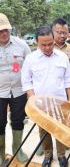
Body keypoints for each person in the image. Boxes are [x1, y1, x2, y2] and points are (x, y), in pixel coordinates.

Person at [21, 26, 70, 167]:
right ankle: (48, 155)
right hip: (40, 104)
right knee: (44, 130)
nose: (47, 47)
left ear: (53, 40)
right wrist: (34, 101)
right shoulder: (31, 59)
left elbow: (68, 81)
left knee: (60, 129)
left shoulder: (62, 57)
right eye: (43, 44)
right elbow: (26, 82)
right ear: (37, 42)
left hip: (60, 102)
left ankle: (62, 155)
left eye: (50, 43)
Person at [0, 13, 30, 165]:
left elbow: (30, 65)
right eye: (0, 31)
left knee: (18, 120)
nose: (4, 33)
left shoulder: (21, 44)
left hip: (19, 90)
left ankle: (17, 149)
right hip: (0, 92)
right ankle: (0, 153)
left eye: (6, 29)